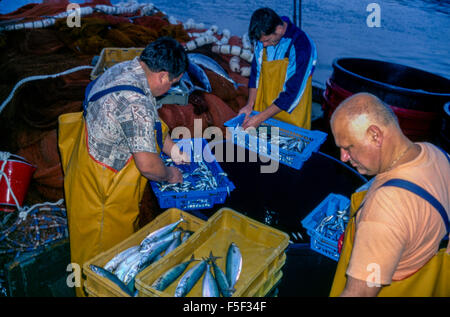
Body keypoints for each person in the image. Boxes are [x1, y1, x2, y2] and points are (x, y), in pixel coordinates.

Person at [58, 37, 189, 297]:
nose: (171, 88)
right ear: (163, 76)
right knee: (102, 262)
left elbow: (148, 121)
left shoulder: (126, 69)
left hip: (85, 163)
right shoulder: (136, 103)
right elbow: (149, 166)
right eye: (173, 83)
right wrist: (172, 173)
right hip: (103, 191)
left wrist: (172, 149)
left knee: (94, 248)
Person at [329, 92, 449, 297]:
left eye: (348, 147)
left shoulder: (385, 208)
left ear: (375, 135)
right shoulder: (436, 154)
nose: (344, 157)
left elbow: (359, 294)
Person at [238, 7, 317, 130]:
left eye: (267, 40)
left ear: (279, 29)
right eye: (261, 42)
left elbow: (292, 93)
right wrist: (249, 105)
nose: (264, 45)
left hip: (291, 115)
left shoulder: (301, 45)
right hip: (263, 111)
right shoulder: (263, 38)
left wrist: (259, 118)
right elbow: (256, 75)